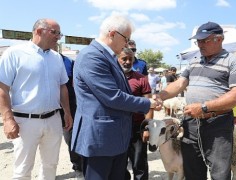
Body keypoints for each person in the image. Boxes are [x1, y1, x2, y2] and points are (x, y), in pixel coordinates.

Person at [70, 15, 161, 180]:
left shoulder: (108, 57)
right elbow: (113, 97)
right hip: (100, 139)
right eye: (126, 39)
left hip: (114, 138)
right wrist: (148, 103)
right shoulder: (92, 56)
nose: (127, 44)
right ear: (112, 33)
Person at [155, 21, 236, 179]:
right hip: (190, 123)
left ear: (219, 39)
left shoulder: (234, 63)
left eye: (204, 40)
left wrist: (205, 107)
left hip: (217, 124)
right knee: (193, 170)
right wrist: (160, 95)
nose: (200, 44)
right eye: (198, 41)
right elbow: (180, 83)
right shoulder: (194, 61)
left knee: (219, 172)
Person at [0, 18, 73, 179]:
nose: (58, 37)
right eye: (55, 32)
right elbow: (2, 88)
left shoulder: (56, 58)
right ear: (38, 31)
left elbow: (62, 87)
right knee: (23, 169)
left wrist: (67, 112)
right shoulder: (14, 53)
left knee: (50, 165)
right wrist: (7, 119)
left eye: (59, 33)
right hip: (25, 122)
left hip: (53, 119)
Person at [117, 48, 153, 180]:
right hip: (117, 128)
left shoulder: (141, 79)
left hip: (137, 127)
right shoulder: (111, 78)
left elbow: (149, 104)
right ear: (117, 59)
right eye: (124, 58)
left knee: (139, 163)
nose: (127, 62)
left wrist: (146, 128)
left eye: (130, 59)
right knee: (119, 165)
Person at [52, 44, 83, 173]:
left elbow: (75, 85)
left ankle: (78, 166)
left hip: (69, 107)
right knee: (50, 141)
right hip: (48, 108)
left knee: (71, 138)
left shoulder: (69, 62)